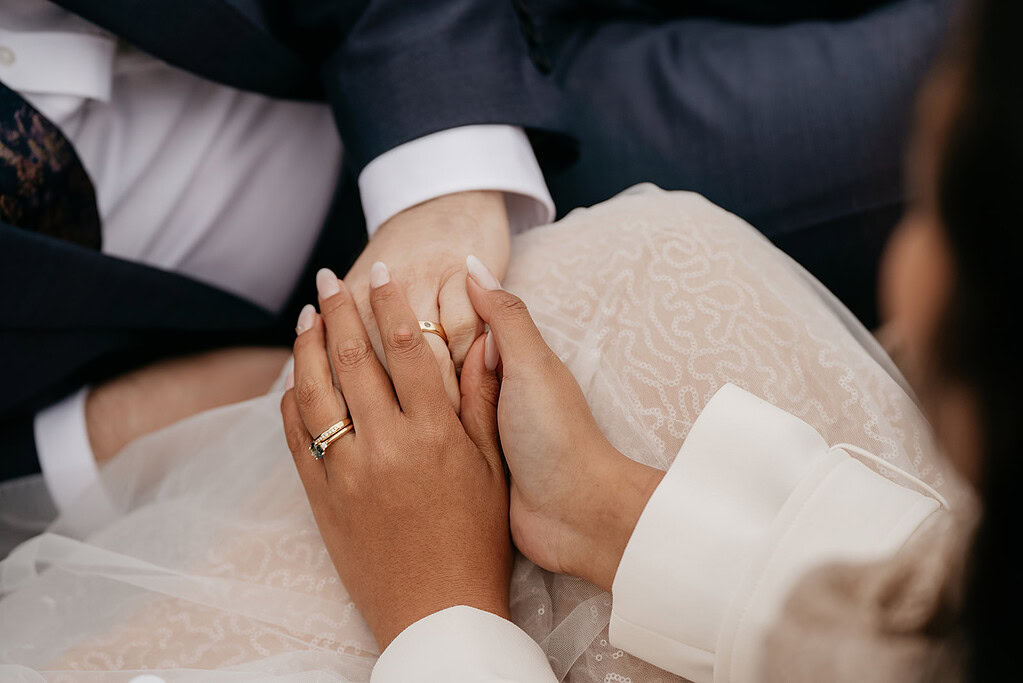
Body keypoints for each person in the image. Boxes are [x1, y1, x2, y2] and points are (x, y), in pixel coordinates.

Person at [1, 0, 955, 541]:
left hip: (423, 96)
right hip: (424, 302)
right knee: (929, 104)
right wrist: (88, 440)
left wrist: (439, 179)